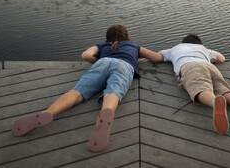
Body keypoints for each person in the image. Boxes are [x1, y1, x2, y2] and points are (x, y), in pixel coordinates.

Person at [11, 24, 163, 152]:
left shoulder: (102, 46)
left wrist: (101, 60)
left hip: (102, 62)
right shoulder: (133, 46)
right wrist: (138, 60)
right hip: (124, 66)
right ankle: (106, 112)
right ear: (127, 37)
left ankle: (48, 112)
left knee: (77, 92)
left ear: (107, 37)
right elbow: (156, 58)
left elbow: (85, 55)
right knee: (113, 92)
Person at [157, 33, 230, 134]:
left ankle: (214, 102)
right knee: (225, 91)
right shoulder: (203, 49)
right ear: (198, 44)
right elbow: (221, 59)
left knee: (201, 88)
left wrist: (143, 54)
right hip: (210, 66)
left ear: (183, 42)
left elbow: (157, 56)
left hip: (190, 67)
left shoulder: (174, 49)